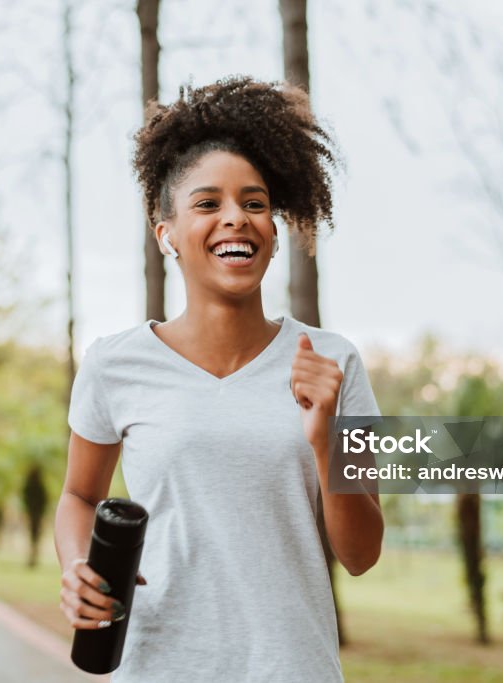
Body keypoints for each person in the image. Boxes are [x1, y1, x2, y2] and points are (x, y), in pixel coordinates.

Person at [53, 75, 383, 682]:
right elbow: (79, 496)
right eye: (208, 204)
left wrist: (323, 438)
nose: (236, 218)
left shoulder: (334, 363)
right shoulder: (113, 364)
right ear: (167, 235)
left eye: (254, 203)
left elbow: (361, 555)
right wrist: (78, 564)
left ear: (274, 233)